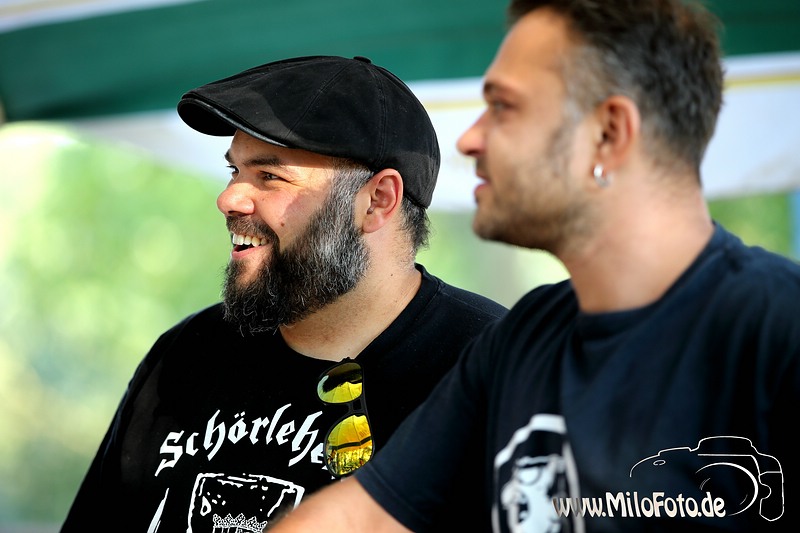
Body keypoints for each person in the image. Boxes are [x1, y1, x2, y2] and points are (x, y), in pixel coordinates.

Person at [269, 1, 800, 532]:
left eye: (503, 107)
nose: (469, 139)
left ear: (608, 133)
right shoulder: (524, 338)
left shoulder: (776, 327)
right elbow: (362, 518)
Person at [60, 55, 507, 532]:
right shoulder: (186, 357)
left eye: (269, 176)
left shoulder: (499, 366)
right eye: (234, 171)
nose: (228, 199)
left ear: (378, 200)